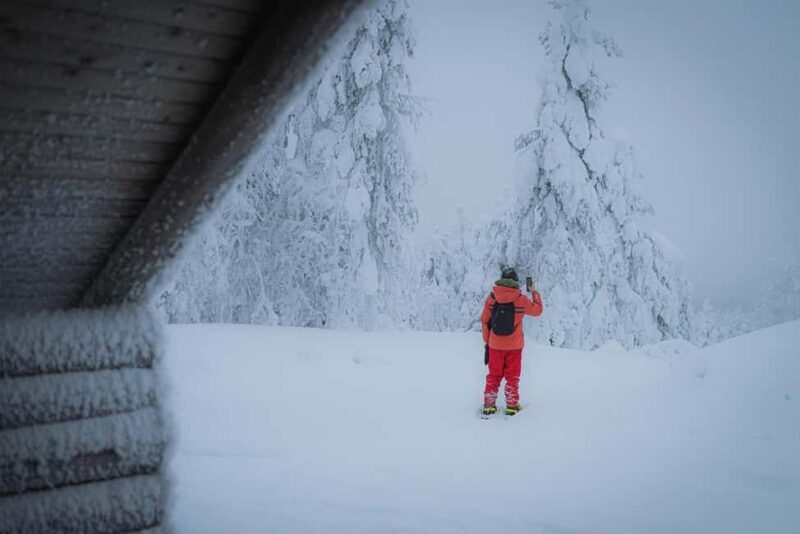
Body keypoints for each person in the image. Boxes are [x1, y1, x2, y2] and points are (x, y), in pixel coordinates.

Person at [480, 267, 543, 416]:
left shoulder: (492, 298)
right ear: (515, 282)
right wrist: (533, 291)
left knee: (494, 376)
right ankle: (511, 406)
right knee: (512, 377)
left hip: (495, 345)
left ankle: (489, 405)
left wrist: (488, 342)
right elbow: (537, 310)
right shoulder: (520, 300)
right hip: (514, 347)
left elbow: (484, 321)